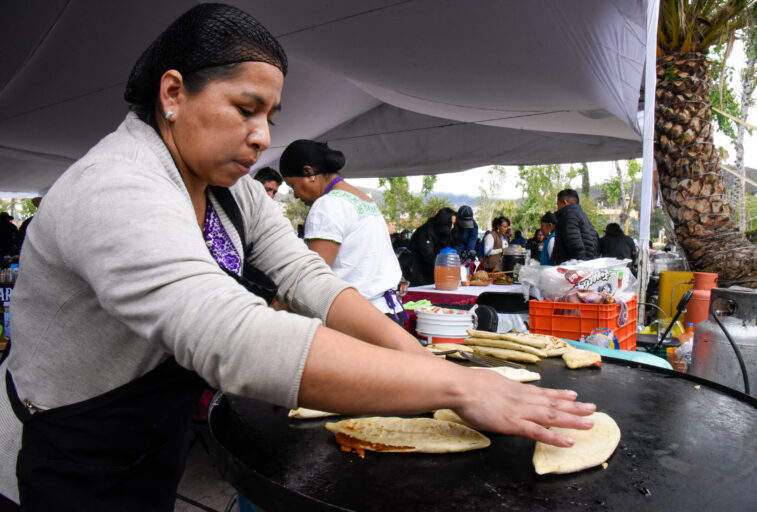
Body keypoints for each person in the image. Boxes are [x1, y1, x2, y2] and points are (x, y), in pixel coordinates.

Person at [0, 5, 594, 509]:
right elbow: (230, 336)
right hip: (72, 441)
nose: (262, 137)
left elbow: (308, 277)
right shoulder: (116, 186)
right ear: (173, 92)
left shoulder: (228, 192)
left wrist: (420, 357)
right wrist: (458, 389)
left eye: (270, 118)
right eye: (245, 108)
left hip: (151, 430)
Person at [280, 139, 406, 323]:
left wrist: (278, 307)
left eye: (293, 187)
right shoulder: (363, 199)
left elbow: (314, 280)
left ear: (309, 172)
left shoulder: (327, 204)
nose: (296, 195)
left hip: (359, 319)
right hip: (387, 313)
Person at [399, 208, 457, 286]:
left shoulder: (441, 234)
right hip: (416, 274)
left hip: (427, 274)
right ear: (445, 222)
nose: (452, 227)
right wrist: (445, 268)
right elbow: (428, 255)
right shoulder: (426, 232)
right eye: (451, 223)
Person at [550, 189, 599, 265]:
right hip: (589, 263)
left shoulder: (568, 216)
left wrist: (578, 267)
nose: (557, 208)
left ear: (565, 203)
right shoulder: (583, 216)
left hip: (570, 270)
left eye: (558, 204)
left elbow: (575, 244)